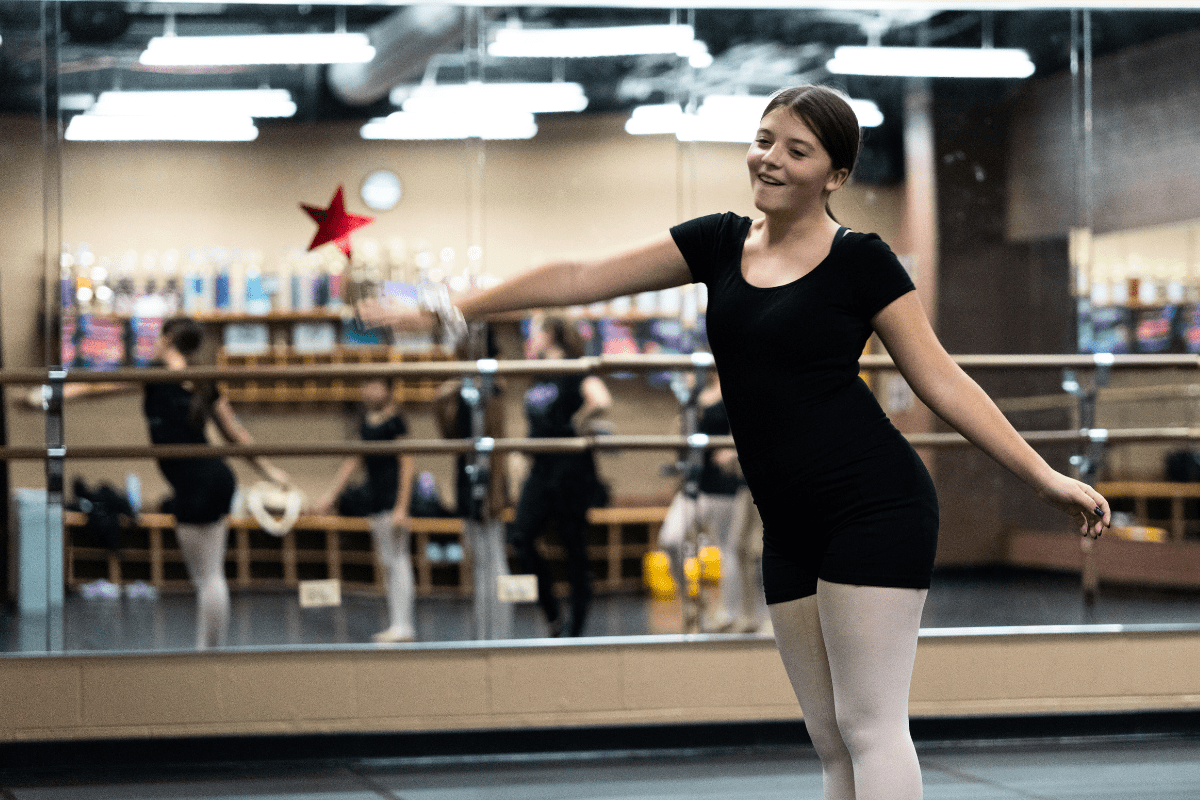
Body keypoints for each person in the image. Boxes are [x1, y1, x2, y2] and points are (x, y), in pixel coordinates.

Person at [357, 84, 1110, 799]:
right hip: (789, 522)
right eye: (763, 142)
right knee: (827, 735)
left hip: (874, 506)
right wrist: (447, 311)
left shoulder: (860, 260)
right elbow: (579, 275)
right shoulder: (717, 244)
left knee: (870, 725)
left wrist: (1045, 477)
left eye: (798, 150)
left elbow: (944, 383)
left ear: (835, 175)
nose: (770, 159)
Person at [143, 318, 289, 649]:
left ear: (166, 339)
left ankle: (210, 653)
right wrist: (267, 470)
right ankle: (209, 651)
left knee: (208, 577)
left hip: (202, 482)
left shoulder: (162, 374)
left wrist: (269, 470)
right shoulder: (188, 379)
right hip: (207, 479)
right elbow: (235, 433)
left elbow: (234, 433)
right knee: (208, 576)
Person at [509, 314, 611, 637]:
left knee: (573, 549)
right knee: (521, 536)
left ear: (550, 334)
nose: (530, 336)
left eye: (534, 330)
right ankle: (553, 617)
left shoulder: (573, 366)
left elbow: (602, 399)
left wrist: (578, 422)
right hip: (541, 468)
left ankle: (576, 628)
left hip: (570, 470)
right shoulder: (537, 372)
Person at [656, 372, 764, 632]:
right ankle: (694, 603)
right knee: (670, 540)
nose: (687, 376)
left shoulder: (731, 391)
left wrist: (732, 450)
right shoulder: (691, 401)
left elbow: (753, 426)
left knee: (729, 550)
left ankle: (728, 614)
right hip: (693, 485)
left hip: (723, 487)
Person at [314, 376, 416, 643]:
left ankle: (403, 624)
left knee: (398, 560)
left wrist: (402, 506)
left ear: (387, 389)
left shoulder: (396, 421)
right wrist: (330, 496)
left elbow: (408, 462)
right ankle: (398, 622)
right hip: (376, 497)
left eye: (373, 385)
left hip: (393, 498)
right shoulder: (368, 421)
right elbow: (353, 459)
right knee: (388, 560)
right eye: (365, 385)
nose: (367, 390)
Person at [432, 324, 514, 639]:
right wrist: (441, 399)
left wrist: (495, 492)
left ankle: (498, 633)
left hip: (489, 483)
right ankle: (483, 631)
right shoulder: (465, 389)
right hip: (466, 479)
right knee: (478, 559)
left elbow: (498, 446)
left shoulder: (493, 390)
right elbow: (450, 437)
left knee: (494, 559)